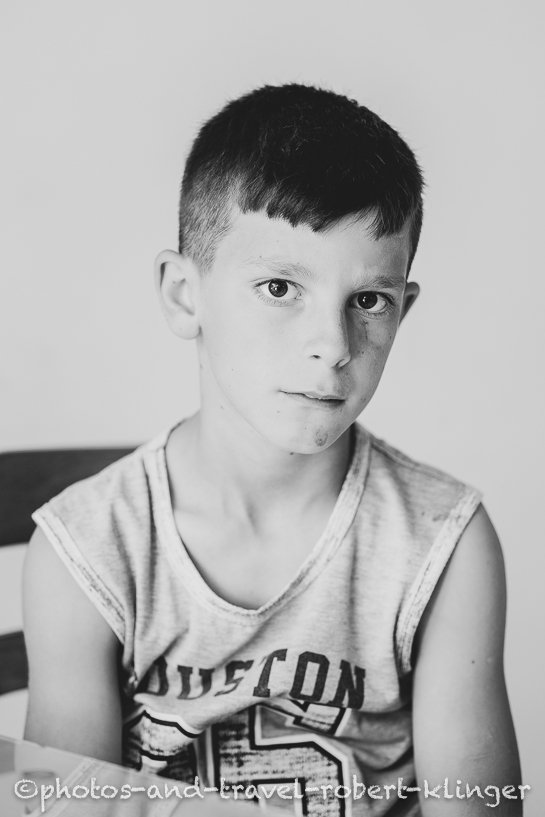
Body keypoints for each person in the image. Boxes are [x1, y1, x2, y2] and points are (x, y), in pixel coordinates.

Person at [23, 84, 523, 815]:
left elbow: (475, 805)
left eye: (368, 300)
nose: (331, 346)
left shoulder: (443, 546)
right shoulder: (86, 552)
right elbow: (65, 810)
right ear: (184, 295)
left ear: (403, 310)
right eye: (280, 286)